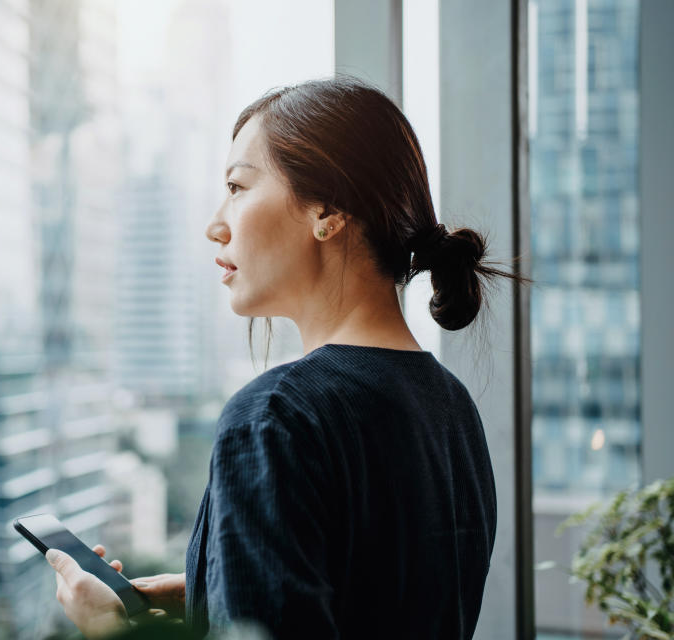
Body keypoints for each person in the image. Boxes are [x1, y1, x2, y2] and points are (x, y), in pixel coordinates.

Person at [46, 76, 512, 639]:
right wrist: (214, 590)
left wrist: (110, 631)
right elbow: (380, 590)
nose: (215, 225)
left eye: (238, 187)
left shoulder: (276, 416)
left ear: (328, 209)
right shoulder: (452, 406)